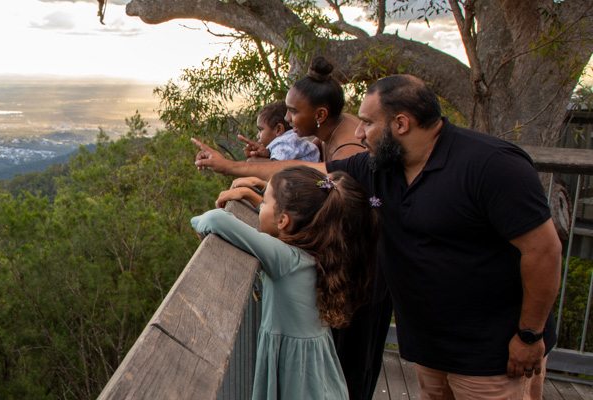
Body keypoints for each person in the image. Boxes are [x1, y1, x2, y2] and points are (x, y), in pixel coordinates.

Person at [191, 74, 562, 399]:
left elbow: (543, 251)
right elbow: (313, 171)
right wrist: (240, 173)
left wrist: (530, 335)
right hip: (429, 346)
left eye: (367, 122)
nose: (357, 132)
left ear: (401, 123)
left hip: (492, 351)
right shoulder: (380, 167)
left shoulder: (492, 166)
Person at [193, 166, 378, 400]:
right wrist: (255, 197)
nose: (261, 208)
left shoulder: (285, 258)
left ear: (283, 220)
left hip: (297, 377)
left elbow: (215, 219)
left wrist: (198, 223)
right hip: (316, 373)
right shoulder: (319, 250)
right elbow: (271, 221)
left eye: (266, 203)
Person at [241, 101, 320, 162]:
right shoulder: (291, 139)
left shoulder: (284, 142)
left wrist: (254, 162)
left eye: (261, 130)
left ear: (279, 129)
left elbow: (276, 167)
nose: (258, 136)